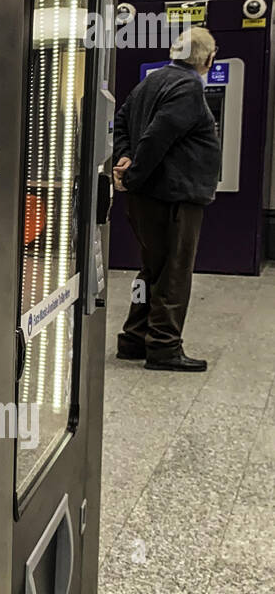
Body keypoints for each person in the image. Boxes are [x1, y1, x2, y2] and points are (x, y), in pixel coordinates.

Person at [112, 24, 220, 372]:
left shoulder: (152, 79)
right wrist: (134, 174)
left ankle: (134, 337)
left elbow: (123, 118)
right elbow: (160, 135)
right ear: (207, 58)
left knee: (151, 269)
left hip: (149, 197)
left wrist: (125, 158)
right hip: (172, 196)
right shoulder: (189, 86)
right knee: (174, 271)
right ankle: (163, 346)